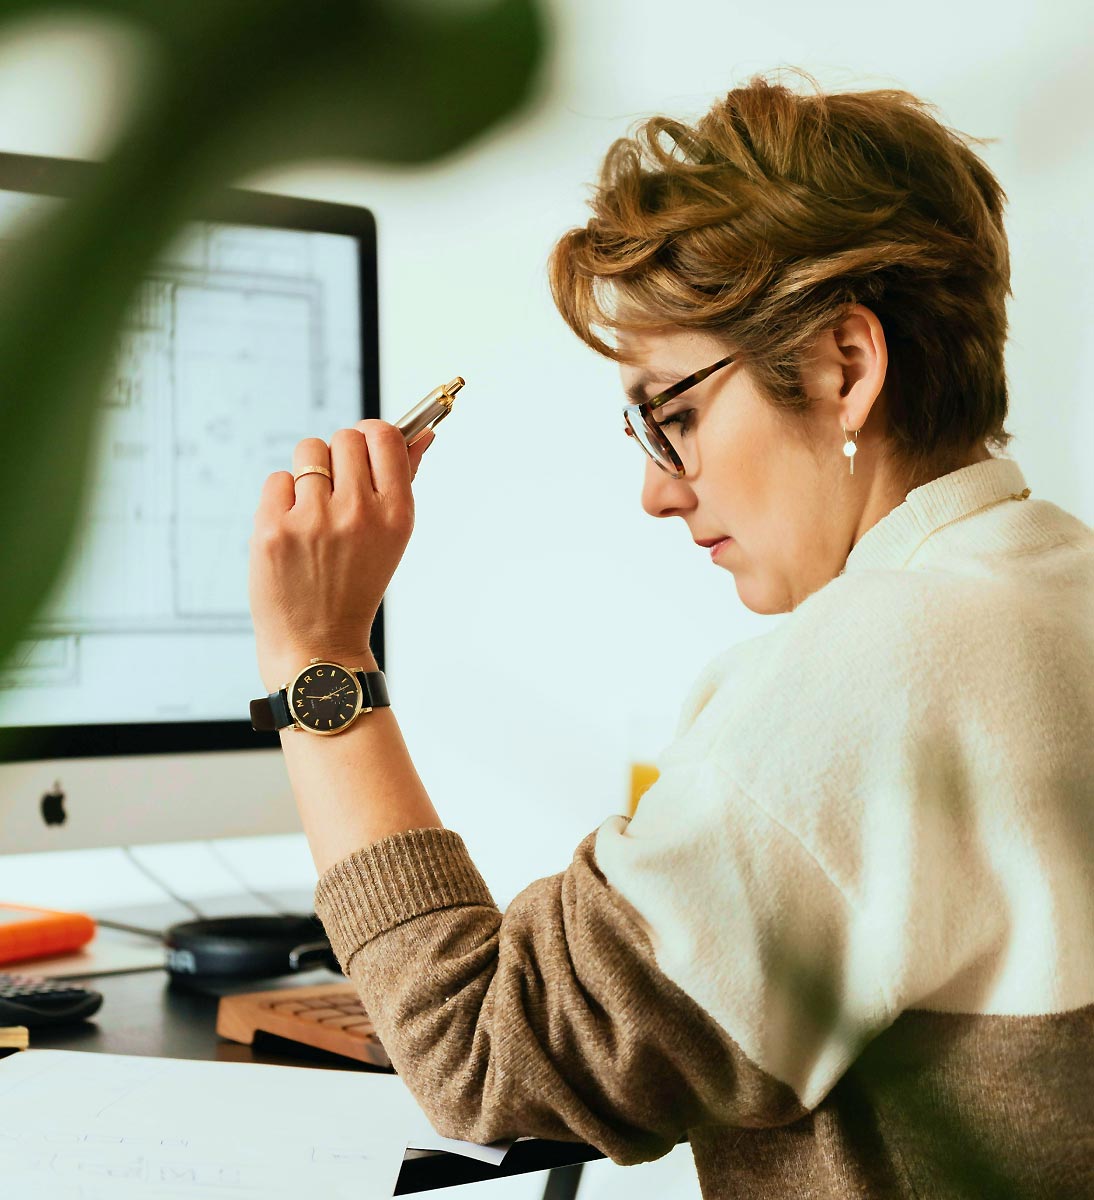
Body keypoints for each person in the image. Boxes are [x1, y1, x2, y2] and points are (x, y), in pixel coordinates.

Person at [247, 72, 1094, 1198]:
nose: (656, 492)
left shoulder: (882, 666)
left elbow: (484, 1058)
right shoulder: (1058, 586)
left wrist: (323, 659)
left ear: (845, 365)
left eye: (675, 415)